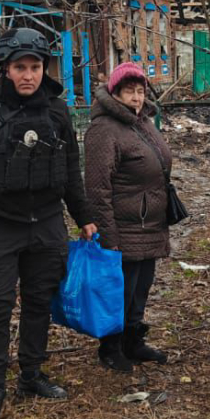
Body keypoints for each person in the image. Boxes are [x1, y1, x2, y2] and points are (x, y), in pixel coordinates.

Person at [0, 26, 96, 419]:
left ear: (45, 68)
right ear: (4, 69)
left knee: (39, 302)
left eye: (35, 67)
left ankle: (31, 374)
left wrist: (85, 217)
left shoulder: (57, 111)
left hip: (46, 222)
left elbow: (70, 170)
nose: (28, 75)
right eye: (20, 67)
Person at [83, 62, 172, 372]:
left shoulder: (142, 122)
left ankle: (133, 341)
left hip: (148, 222)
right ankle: (110, 348)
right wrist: (108, 237)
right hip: (122, 226)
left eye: (140, 91)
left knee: (141, 287)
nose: (136, 97)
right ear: (115, 93)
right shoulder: (104, 129)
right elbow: (97, 187)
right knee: (120, 290)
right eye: (129, 91)